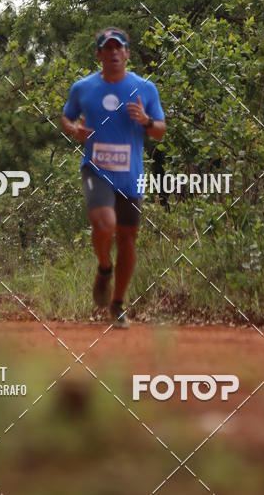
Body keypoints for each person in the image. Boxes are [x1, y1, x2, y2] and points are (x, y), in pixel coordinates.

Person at [62, 28, 166, 329]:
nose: (113, 53)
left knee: (128, 237)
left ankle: (117, 304)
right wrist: (74, 130)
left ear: (127, 53)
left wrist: (146, 120)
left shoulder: (145, 88)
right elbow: (67, 117)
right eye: (107, 48)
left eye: (118, 48)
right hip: (96, 169)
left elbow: (160, 131)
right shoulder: (83, 88)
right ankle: (105, 267)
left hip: (130, 174)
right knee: (105, 223)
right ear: (99, 55)